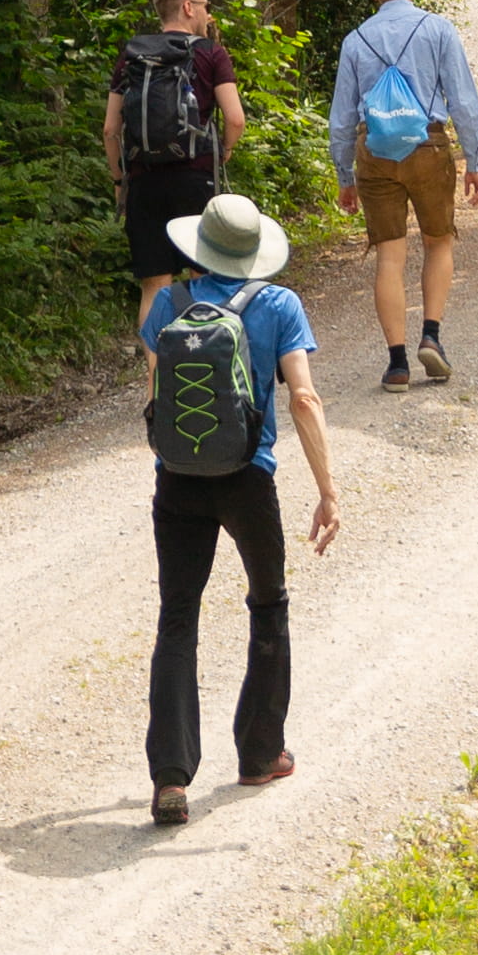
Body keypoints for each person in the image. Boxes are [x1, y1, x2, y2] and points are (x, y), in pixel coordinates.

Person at [135, 181, 338, 827]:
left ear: (200, 248)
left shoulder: (169, 301)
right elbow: (303, 399)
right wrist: (328, 490)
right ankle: (259, 753)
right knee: (267, 603)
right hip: (248, 477)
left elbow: (156, 390)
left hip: (178, 477)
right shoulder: (278, 304)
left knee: (178, 616)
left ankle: (170, 779)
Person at [326, 0, 478, 389]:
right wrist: (473, 160)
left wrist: (345, 177)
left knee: (389, 257)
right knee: (438, 244)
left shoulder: (356, 40)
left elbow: (341, 118)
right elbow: (464, 102)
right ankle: (431, 338)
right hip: (428, 146)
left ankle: (397, 363)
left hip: (374, 152)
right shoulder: (436, 29)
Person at [102, 0, 248, 328]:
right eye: (204, 6)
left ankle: (155, 375)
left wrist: (120, 180)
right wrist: (225, 149)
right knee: (203, 274)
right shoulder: (211, 53)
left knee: (154, 284)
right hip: (195, 177)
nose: (207, 13)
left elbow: (110, 129)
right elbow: (235, 119)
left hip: (143, 179)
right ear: (187, 7)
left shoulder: (133, 54)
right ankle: (207, 362)